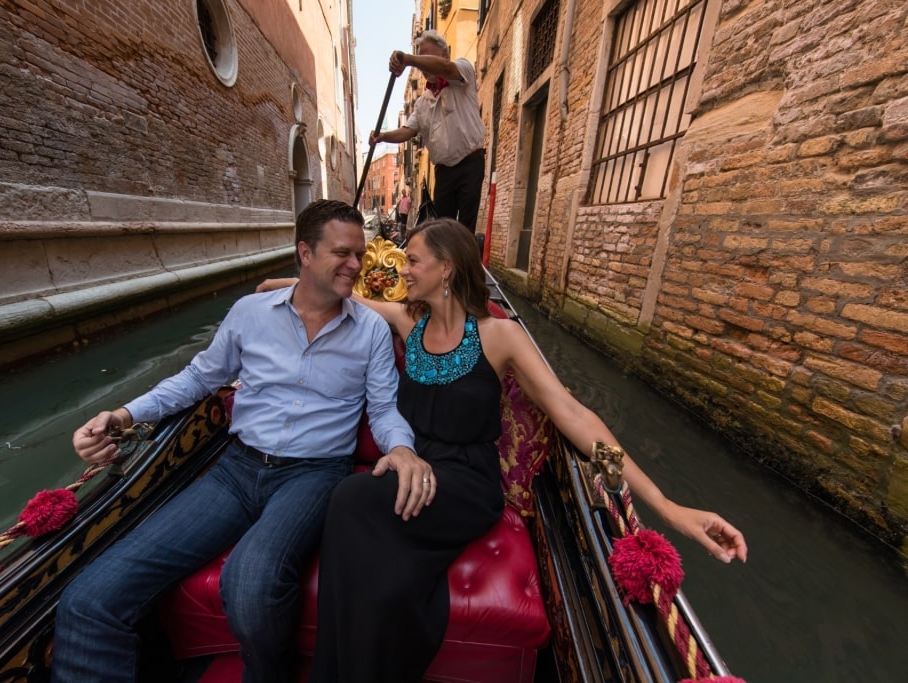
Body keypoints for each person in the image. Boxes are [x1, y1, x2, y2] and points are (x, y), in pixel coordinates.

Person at [266, 218, 749, 683]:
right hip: (412, 468)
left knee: (350, 499)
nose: (402, 270)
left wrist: (665, 506)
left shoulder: (500, 337)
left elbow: (574, 415)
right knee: (358, 526)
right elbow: (343, 295)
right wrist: (283, 285)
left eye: (412, 260)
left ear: (447, 268)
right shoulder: (407, 319)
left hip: (467, 485)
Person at [51, 200, 428, 683]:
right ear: (305, 253)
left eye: (359, 254)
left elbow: (382, 408)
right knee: (89, 598)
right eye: (343, 253)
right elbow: (197, 379)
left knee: (250, 581)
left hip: (313, 476)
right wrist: (124, 414)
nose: (357, 265)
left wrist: (400, 447)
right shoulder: (250, 313)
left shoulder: (371, 329)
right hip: (235, 471)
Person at [370, 30, 487, 235]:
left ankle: (465, 265)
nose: (423, 65)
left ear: (444, 55)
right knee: (442, 230)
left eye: (427, 57)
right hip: (443, 172)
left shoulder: (462, 71)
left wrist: (408, 59)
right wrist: (382, 137)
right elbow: (407, 131)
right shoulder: (422, 102)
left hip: (470, 163)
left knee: (465, 229)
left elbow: (444, 69)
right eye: (420, 58)